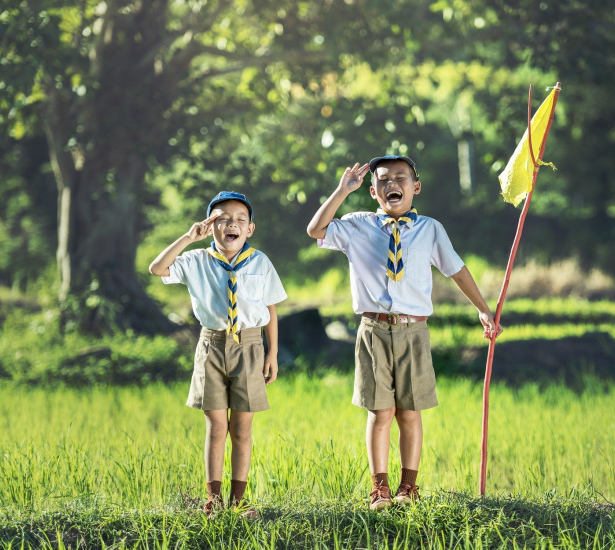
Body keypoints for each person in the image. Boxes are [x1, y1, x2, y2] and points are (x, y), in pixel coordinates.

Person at [307, 155, 499, 510]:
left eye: (401, 177)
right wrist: (340, 191)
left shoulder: (430, 229)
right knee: (380, 412)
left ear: (416, 187)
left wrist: (482, 308)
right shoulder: (356, 224)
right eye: (383, 180)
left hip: (414, 331)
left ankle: (407, 488)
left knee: (409, 412)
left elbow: (456, 270)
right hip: (373, 329)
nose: (392, 184)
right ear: (373, 191)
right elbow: (316, 230)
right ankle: (379, 488)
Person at [149, 191, 286, 518]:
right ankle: (213, 499)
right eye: (222, 218)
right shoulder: (197, 260)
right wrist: (187, 237)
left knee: (242, 427)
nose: (231, 224)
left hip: (251, 346)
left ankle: (238, 500)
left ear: (250, 229)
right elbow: (157, 268)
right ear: (210, 226)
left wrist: (273, 352)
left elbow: (271, 307)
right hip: (211, 344)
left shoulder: (260, 262)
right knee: (216, 426)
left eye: (240, 219)